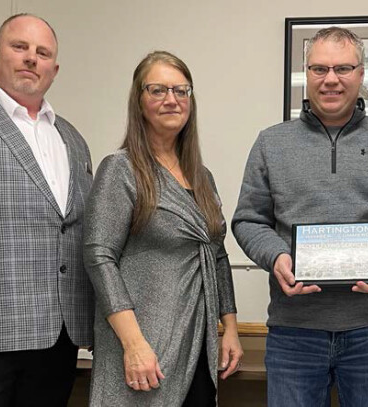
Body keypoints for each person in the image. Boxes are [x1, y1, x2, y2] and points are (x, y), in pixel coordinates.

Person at [232, 27, 368, 407]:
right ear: (306, 75)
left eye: (343, 68)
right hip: (294, 331)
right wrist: (276, 257)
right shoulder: (270, 143)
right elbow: (248, 220)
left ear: (361, 74)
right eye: (319, 69)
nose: (331, 80)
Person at [83, 50, 243, 407]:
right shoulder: (121, 170)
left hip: (199, 343)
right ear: (139, 101)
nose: (171, 99)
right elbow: (99, 257)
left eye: (180, 90)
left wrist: (229, 327)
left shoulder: (202, 178)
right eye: (157, 90)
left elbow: (216, 254)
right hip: (145, 346)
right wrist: (133, 343)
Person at [0, 14, 94, 406]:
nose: (31, 58)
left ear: (54, 68)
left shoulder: (72, 139)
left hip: (60, 334)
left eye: (42, 53)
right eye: (20, 47)